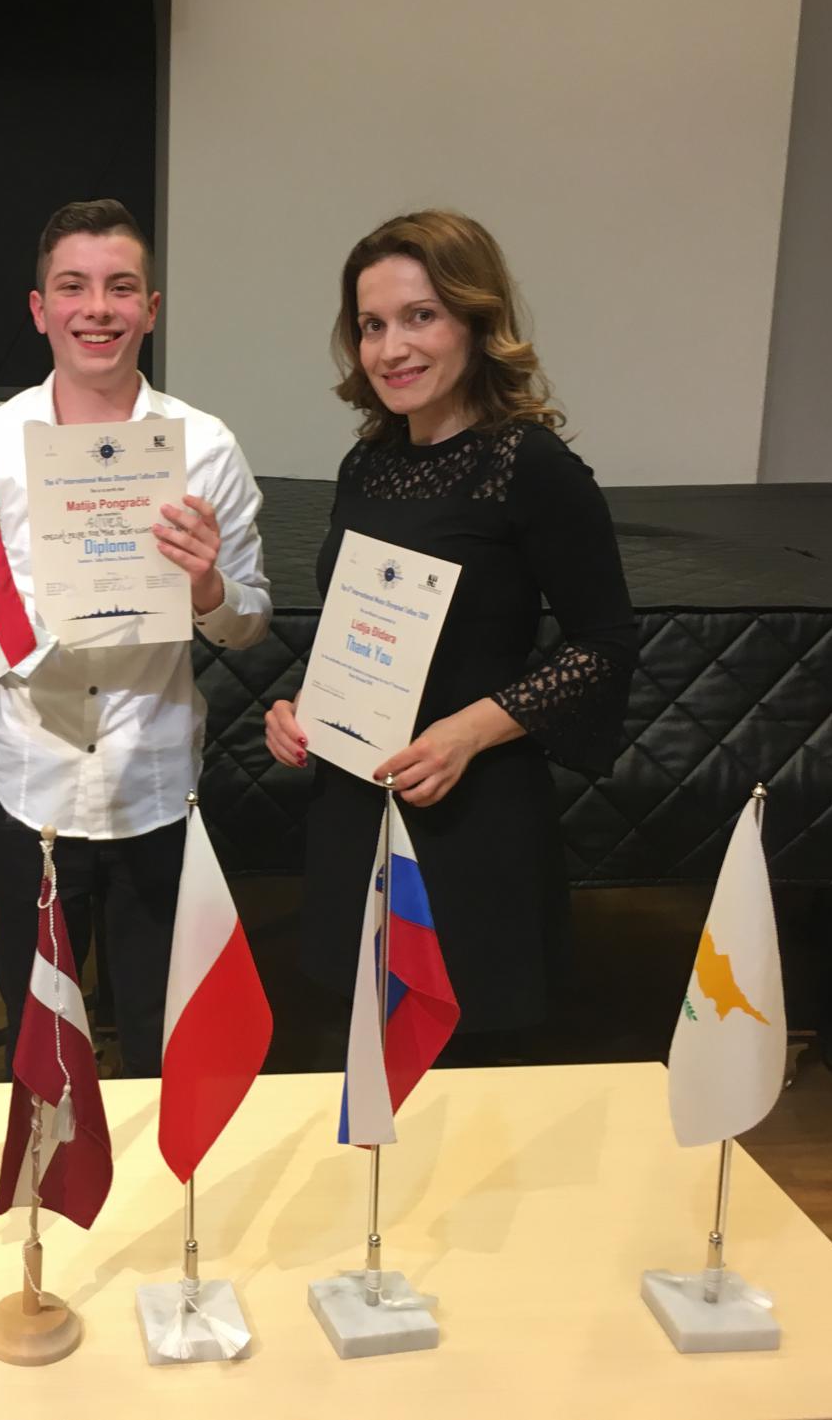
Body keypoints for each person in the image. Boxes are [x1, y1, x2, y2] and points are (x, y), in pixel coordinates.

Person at [265, 211, 637, 1047]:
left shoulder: (530, 465)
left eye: (419, 317)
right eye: (371, 325)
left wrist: (468, 732)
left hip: (470, 812)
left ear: (475, 319)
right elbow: (360, 629)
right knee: (362, 1056)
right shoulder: (367, 464)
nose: (391, 347)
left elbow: (606, 644)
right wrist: (303, 704)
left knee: (464, 1068)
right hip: (356, 804)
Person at [0, 198, 270, 1078]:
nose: (97, 308)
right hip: (30, 786)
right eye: (72, 287)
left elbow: (249, 621)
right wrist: (46, 625)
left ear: (150, 309)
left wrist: (207, 588)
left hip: (154, 781)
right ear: (39, 308)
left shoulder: (206, 448)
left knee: (162, 1040)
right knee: (38, 1042)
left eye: (121, 287)